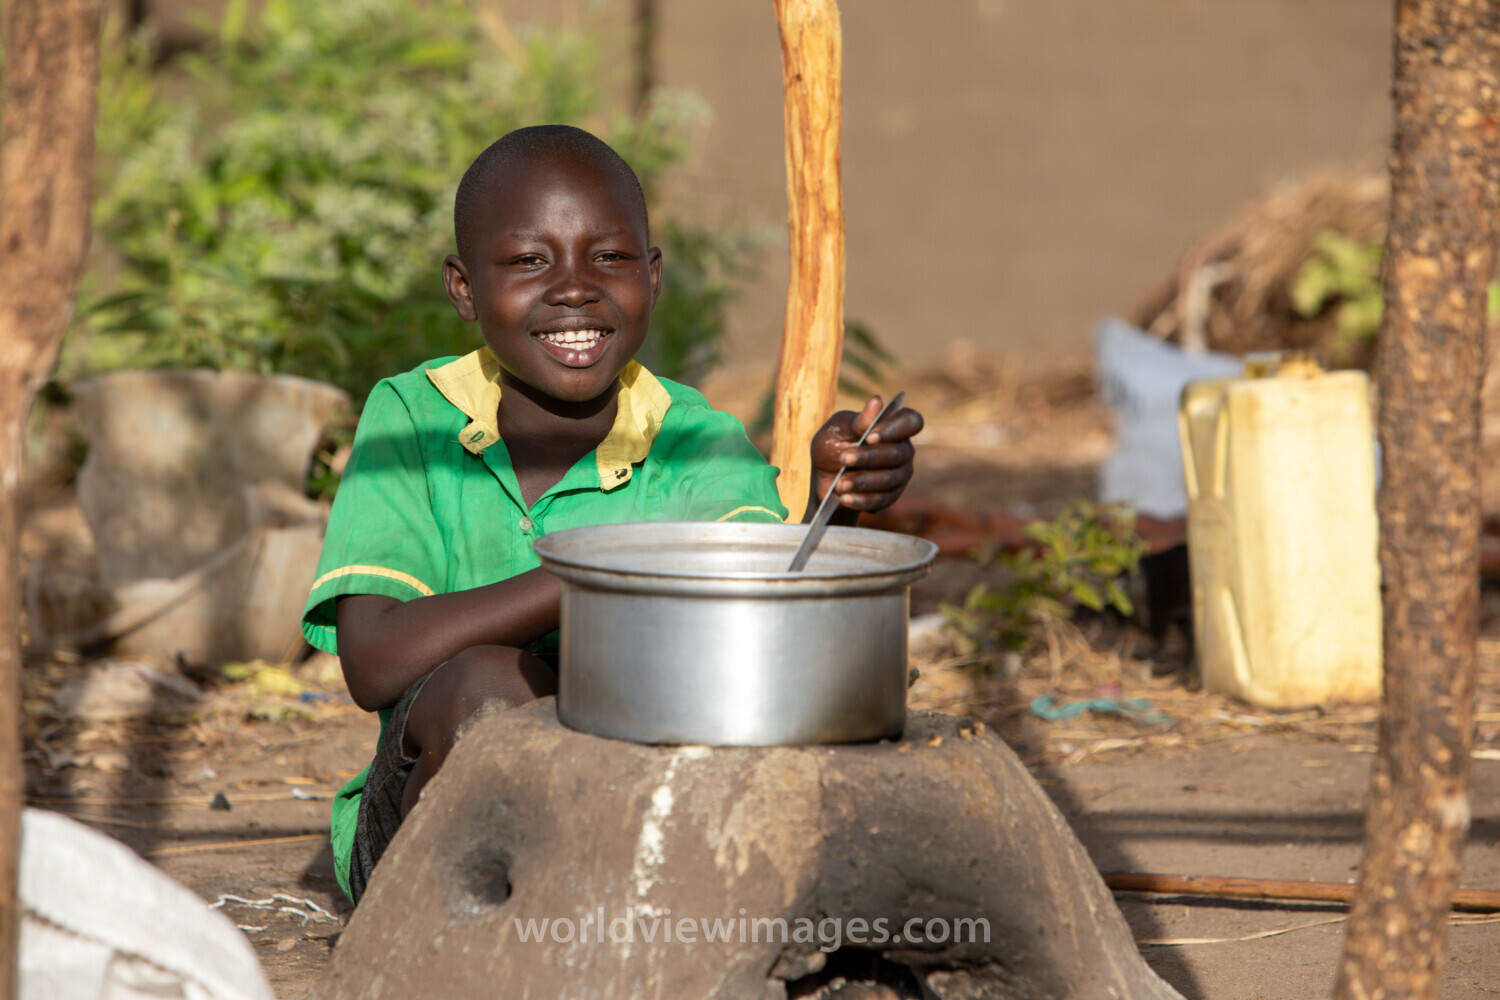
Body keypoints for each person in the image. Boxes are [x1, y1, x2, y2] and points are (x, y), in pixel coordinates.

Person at [300, 125, 923, 904]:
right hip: (426, 847)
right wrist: (611, 574)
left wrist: (839, 507)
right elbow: (376, 661)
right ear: (463, 288)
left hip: (640, 827)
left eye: (610, 258)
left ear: (653, 277)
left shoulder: (692, 437)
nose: (573, 288)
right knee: (488, 688)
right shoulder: (411, 422)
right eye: (529, 261)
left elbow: (767, 616)